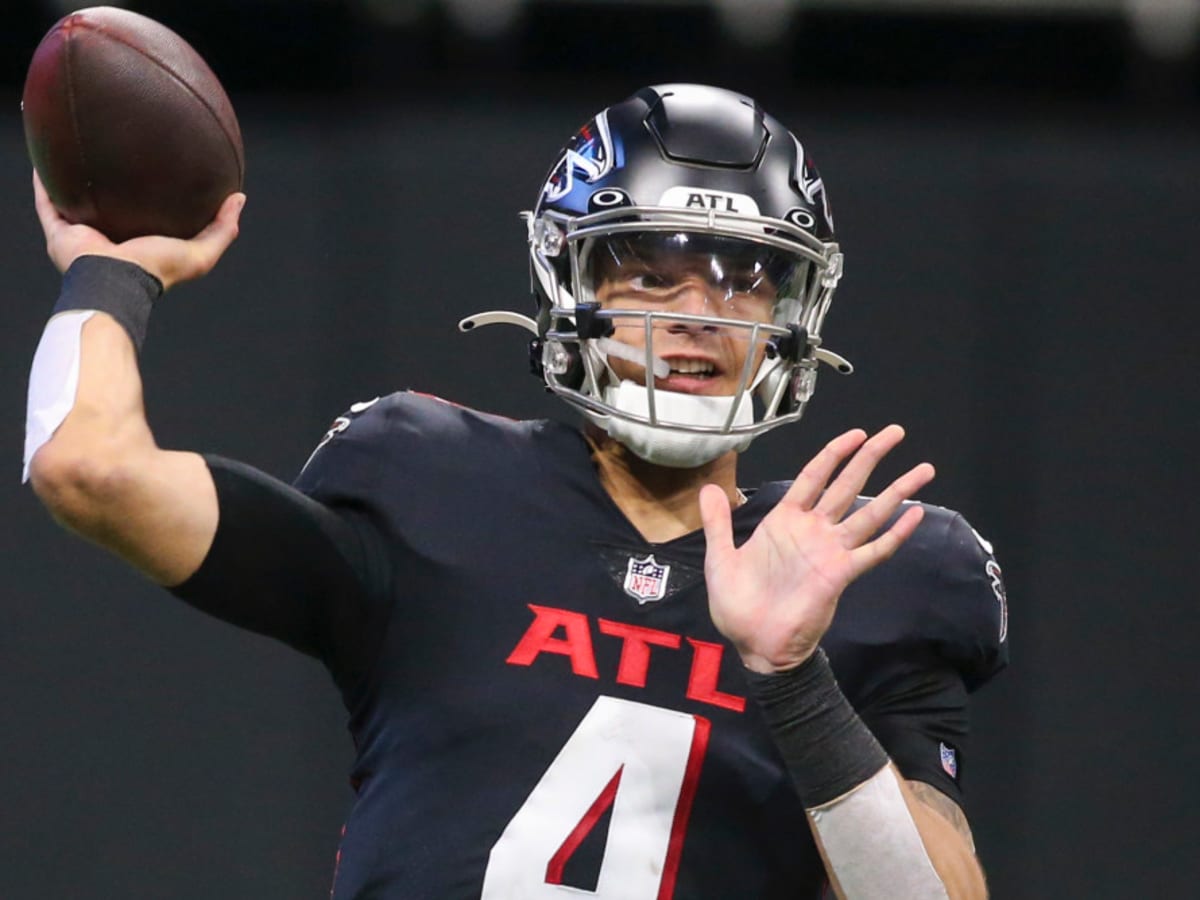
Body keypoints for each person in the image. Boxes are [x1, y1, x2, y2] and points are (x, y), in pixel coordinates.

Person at [25, 84, 1007, 898]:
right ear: (569, 284)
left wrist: (796, 680)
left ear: (798, 308)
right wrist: (109, 277)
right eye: (653, 274)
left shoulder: (871, 572)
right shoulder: (431, 487)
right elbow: (89, 470)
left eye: (744, 278)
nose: (702, 313)